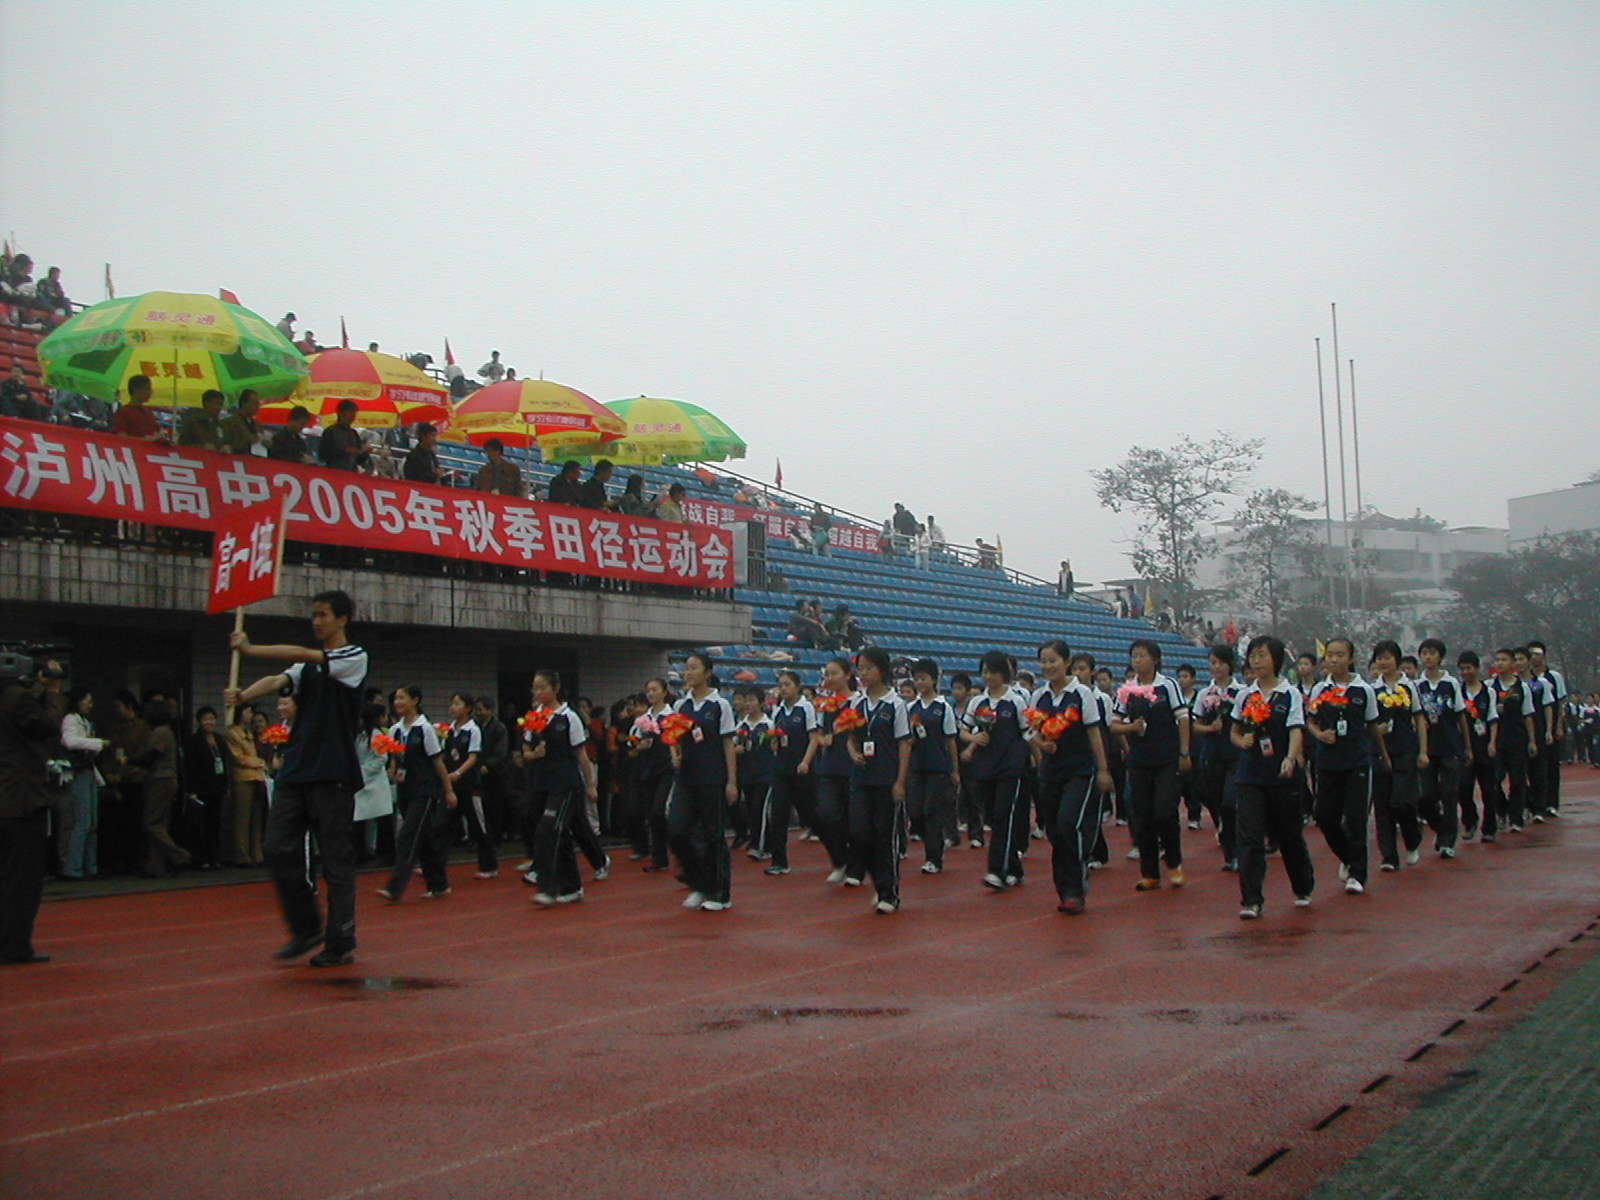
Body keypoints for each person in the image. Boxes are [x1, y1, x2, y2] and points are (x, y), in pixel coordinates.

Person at [224, 590, 369, 967]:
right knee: (277, 847)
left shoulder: (353, 657)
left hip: (333, 771)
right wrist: (242, 696)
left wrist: (251, 648)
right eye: (313, 615)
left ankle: (340, 940)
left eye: (323, 615)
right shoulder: (306, 670)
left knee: (335, 859)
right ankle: (306, 928)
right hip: (297, 768)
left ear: (342, 619)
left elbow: (304, 654)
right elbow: (277, 680)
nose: (316, 621)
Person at [1230, 636, 1315, 919]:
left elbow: (1295, 729)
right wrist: (1240, 741)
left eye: (1262, 655)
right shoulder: (1245, 695)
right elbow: (1235, 731)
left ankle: (1302, 886)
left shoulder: (1289, 694)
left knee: (1289, 835)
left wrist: (1290, 758)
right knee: (1250, 838)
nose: (1256, 661)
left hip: (1282, 776)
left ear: (1276, 659)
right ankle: (1251, 899)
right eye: (1253, 656)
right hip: (1250, 776)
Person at [1031, 641, 1112, 915]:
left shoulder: (1081, 694)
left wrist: (1103, 770)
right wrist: (1042, 745)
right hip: (1050, 773)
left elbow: (1094, 733)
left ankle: (1074, 888)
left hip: (1079, 771)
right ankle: (1063, 885)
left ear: (1066, 662)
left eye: (1052, 660)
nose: (1048, 666)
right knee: (1054, 831)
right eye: (1043, 661)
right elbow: (1033, 732)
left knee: (1068, 824)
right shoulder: (1039, 696)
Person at [1306, 639, 1387, 895]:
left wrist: (1383, 755)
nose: (1334, 660)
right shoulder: (1320, 689)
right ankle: (1347, 856)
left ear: (1350, 659)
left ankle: (1358, 874)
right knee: (1324, 816)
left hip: (1357, 761)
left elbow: (1372, 724)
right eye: (1330, 655)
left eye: (1340, 655)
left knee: (1356, 819)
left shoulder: (1364, 690)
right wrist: (1320, 735)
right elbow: (1311, 720)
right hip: (1328, 762)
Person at [0, 656, 67, 964]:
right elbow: (47, 727)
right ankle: (14, 945)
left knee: (6, 873)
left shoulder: (12, 698)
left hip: (7, 794)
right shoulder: (16, 697)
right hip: (21, 797)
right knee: (23, 877)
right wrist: (52, 690)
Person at [1111, 639, 1191, 891]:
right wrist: (1131, 728)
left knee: (1165, 812)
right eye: (1134, 656)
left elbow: (1183, 718)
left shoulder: (1168, 686)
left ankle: (1174, 863)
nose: (1137, 660)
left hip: (1167, 758)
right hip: (1139, 760)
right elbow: (1114, 724)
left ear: (1155, 659)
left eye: (1142, 655)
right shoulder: (1127, 690)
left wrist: (1184, 751)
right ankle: (1150, 873)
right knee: (1142, 816)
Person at [667, 652, 738, 912]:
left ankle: (719, 892)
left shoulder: (720, 705)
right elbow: (673, 736)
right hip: (686, 778)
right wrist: (675, 754)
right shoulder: (680, 705)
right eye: (686, 668)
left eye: (694, 668)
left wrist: (731, 782)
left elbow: (728, 744)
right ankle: (698, 882)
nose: (688, 673)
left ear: (707, 673)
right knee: (676, 830)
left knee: (713, 836)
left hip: (713, 777)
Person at [524, 669, 599, 907]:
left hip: (565, 783)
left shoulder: (569, 717)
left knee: (549, 829)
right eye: (535, 688)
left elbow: (581, 755)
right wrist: (534, 754)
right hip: (541, 782)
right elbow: (525, 751)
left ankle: (547, 887)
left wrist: (591, 785)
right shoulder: (534, 717)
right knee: (559, 834)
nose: (537, 692)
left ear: (556, 688)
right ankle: (572, 887)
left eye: (542, 687)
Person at [845, 647, 912, 914]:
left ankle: (888, 893)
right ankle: (878, 880)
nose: (862, 673)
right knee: (860, 833)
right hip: (861, 778)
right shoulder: (857, 704)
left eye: (868, 668)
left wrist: (900, 782)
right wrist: (853, 753)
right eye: (860, 668)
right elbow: (850, 736)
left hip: (886, 778)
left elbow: (904, 744)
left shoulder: (896, 705)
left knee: (885, 836)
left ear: (882, 671)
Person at [960, 650, 1032, 891]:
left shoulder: (1016, 701)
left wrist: (1036, 755)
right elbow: (964, 730)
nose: (988, 676)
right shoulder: (977, 702)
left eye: (992, 672)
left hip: (1010, 766)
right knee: (992, 816)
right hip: (985, 766)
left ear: (1004, 673)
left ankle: (996, 869)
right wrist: (974, 738)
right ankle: (1014, 869)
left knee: (1003, 815)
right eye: (984, 672)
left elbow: (1027, 731)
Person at [377, 686, 456, 902]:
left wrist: (448, 790)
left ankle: (395, 887)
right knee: (424, 839)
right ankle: (439, 884)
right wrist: (393, 768)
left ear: (415, 701)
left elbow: (437, 762)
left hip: (424, 790)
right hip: (405, 790)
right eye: (396, 699)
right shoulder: (395, 730)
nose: (398, 702)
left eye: (402, 698)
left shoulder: (425, 729)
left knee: (408, 835)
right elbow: (395, 757)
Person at [1369, 640, 1427, 872]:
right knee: (1383, 806)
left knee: (1402, 801)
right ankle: (1389, 856)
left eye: (1387, 658)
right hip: (1379, 752)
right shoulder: (1373, 690)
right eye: (1379, 658)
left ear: (1397, 660)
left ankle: (1412, 840)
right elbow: (1367, 723)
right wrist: (1377, 731)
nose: (1383, 662)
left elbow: (1419, 719)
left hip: (1405, 750)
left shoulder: (1409, 687)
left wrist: (1423, 751)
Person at [761, 670, 819, 876]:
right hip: (781, 768)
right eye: (780, 685)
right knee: (778, 813)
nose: (783, 689)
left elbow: (813, 738)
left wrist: (805, 761)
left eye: (787, 685)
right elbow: (775, 737)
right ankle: (779, 860)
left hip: (801, 769)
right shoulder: (777, 711)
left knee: (809, 813)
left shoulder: (806, 708)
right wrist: (773, 743)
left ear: (797, 686)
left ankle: (836, 846)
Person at [1414, 638, 1468, 859]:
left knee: (1449, 794)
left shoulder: (1451, 683)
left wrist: (1466, 747)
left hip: (1449, 745)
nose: (1428, 657)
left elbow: (1460, 716)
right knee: (1426, 796)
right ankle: (1440, 828)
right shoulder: (1417, 685)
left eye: (1432, 653)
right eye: (1424, 653)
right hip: (1427, 748)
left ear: (1440, 657)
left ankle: (1448, 841)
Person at [904, 659, 959, 875]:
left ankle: (934, 858)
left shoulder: (943, 707)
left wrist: (954, 770)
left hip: (937, 766)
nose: (920, 683)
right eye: (916, 679)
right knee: (915, 809)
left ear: (934, 680)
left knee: (931, 811)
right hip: (916, 766)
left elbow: (950, 740)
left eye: (923, 678)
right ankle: (932, 843)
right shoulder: (911, 708)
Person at [1190, 646, 1242, 870]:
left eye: (1220, 662)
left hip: (1236, 754)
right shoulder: (1205, 694)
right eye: (1213, 663)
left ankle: (1237, 850)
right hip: (1212, 754)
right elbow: (1196, 726)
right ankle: (1229, 851)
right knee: (1218, 803)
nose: (1216, 667)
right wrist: (1210, 728)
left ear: (1230, 665)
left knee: (1231, 802)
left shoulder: (1242, 693)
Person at [811, 656, 860, 884]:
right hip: (829, 767)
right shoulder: (826, 705)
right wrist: (823, 739)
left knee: (854, 821)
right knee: (826, 814)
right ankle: (840, 860)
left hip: (852, 767)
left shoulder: (858, 702)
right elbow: (820, 733)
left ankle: (855, 868)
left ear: (847, 675)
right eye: (827, 674)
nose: (830, 678)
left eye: (834, 673)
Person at [626, 678, 678, 872]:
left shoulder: (671, 716)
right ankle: (659, 857)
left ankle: (674, 848)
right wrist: (639, 745)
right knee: (651, 814)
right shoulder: (644, 718)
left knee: (659, 810)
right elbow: (632, 742)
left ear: (664, 692)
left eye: (655, 690)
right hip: (648, 769)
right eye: (648, 690)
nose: (651, 694)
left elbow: (679, 739)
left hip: (667, 768)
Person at [444, 692, 496, 879]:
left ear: (467, 708)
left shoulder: (473, 730)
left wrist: (458, 773)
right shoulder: (449, 730)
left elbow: (473, 758)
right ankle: (434, 865)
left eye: (457, 704)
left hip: (469, 785)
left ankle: (489, 866)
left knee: (478, 826)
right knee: (442, 826)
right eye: (452, 704)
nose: (453, 708)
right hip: (453, 787)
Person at [58, 687, 106, 880]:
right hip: (79, 772)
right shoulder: (71, 719)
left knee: (91, 823)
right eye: (88, 701)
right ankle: (74, 867)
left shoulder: (82, 721)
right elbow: (70, 742)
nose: (90, 705)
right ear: (78, 701)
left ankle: (88, 866)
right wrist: (98, 743)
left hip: (87, 770)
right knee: (83, 822)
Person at [1489, 648, 1538, 832]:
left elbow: (1528, 715)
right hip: (1496, 741)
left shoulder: (1522, 687)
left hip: (1517, 739)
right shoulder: (1489, 687)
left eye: (1504, 660)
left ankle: (1516, 818)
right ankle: (1501, 811)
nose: (1500, 663)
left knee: (1517, 781)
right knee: (1495, 779)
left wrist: (1532, 741)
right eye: (1497, 660)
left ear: (1512, 664)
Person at [1456, 651, 1502, 841]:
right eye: (1462, 669)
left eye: (1468, 668)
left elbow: (1493, 718)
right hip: (1465, 747)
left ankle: (1489, 828)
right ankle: (1470, 821)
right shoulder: (1458, 692)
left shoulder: (1488, 692)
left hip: (1484, 744)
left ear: (1477, 668)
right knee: (1463, 787)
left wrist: (1492, 742)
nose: (1465, 673)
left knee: (1489, 789)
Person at [184, 707, 231, 869]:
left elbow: (225, 763)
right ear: (199, 722)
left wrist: (225, 785)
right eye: (205, 719)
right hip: (201, 787)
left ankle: (215, 857)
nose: (209, 722)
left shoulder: (219, 739)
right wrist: (191, 790)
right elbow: (190, 767)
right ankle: (201, 858)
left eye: (212, 719)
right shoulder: (193, 741)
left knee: (215, 823)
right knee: (200, 824)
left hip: (217, 786)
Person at [731, 686, 775, 855]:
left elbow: (775, 747)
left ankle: (759, 845)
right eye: (746, 700)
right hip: (746, 774)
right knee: (751, 809)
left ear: (761, 703)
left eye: (751, 700)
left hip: (764, 773)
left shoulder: (768, 725)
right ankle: (764, 842)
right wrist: (736, 750)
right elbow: (732, 746)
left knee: (758, 809)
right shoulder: (741, 725)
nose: (748, 704)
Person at [225, 706, 267, 866]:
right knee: (242, 818)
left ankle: (257, 854)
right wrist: (259, 762)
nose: (250, 715)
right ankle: (242, 856)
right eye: (247, 712)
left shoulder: (248, 733)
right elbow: (238, 758)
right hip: (242, 778)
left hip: (256, 777)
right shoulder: (233, 733)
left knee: (256, 818)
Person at [109, 375, 164, 442]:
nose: (150, 392)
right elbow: (121, 437)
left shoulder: (148, 412)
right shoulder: (123, 412)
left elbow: (156, 432)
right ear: (135, 390)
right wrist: (145, 440)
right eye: (147, 389)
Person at [317, 399, 367, 472]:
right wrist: (345, 451)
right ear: (341, 413)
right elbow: (323, 454)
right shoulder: (330, 431)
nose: (353, 416)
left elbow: (359, 460)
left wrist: (364, 453)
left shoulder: (354, 433)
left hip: (352, 472)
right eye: (350, 412)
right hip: (334, 471)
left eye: (354, 413)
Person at [219, 390, 262, 454]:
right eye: (253, 403)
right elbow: (226, 444)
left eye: (258, 404)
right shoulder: (228, 422)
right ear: (243, 403)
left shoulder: (257, 424)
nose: (257, 406)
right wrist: (247, 440)